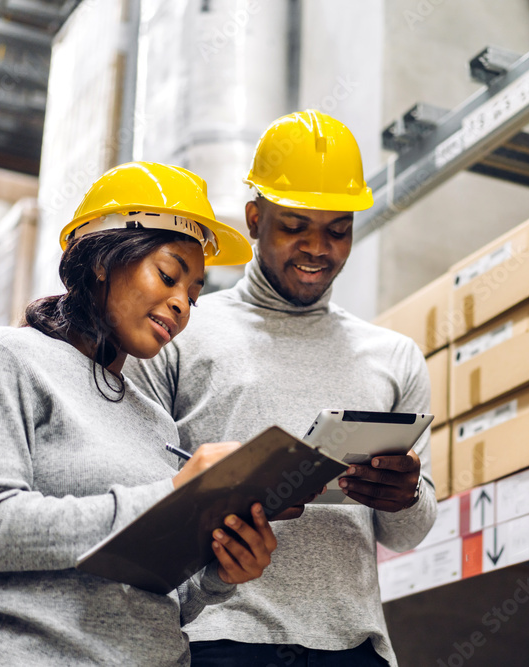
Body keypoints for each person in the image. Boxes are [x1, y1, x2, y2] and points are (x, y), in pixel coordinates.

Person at [127, 111, 437, 666]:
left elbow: (407, 534)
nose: (318, 247)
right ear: (253, 218)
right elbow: (133, 502)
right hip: (218, 638)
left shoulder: (393, 358)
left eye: (337, 229)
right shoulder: (178, 331)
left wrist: (406, 496)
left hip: (352, 648)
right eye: (295, 225)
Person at [0, 162, 276, 666]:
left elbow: (153, 595)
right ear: (104, 260)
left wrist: (218, 575)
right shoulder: (9, 360)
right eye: (168, 275)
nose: (182, 304)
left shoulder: (156, 421)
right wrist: (166, 498)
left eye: (193, 293)